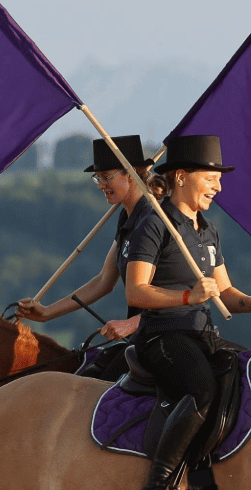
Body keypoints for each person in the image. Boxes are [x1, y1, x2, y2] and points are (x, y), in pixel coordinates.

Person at [120, 134, 251, 490]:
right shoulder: (154, 224)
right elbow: (136, 291)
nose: (218, 186)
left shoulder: (207, 231)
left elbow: (225, 292)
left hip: (201, 334)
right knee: (202, 390)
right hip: (162, 337)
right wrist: (188, 295)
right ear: (181, 176)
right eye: (211, 177)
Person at [13, 135, 152, 377]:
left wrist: (131, 324)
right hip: (138, 339)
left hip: (158, 336)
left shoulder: (153, 222)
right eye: (98, 177)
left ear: (130, 174)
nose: (100, 185)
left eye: (107, 177)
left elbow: (178, 292)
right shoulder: (126, 218)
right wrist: (46, 312)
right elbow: (103, 281)